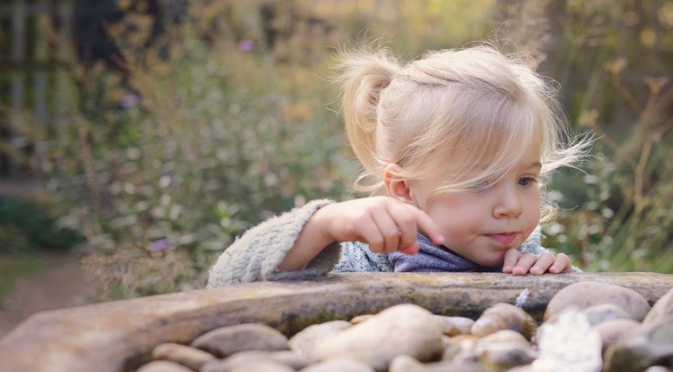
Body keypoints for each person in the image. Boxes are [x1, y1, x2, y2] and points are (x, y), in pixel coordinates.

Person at [207, 44, 589, 288]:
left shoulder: (524, 259)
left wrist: (557, 280)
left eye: (525, 179)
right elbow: (223, 283)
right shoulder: (365, 256)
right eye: (480, 182)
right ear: (404, 190)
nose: (512, 206)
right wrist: (322, 226)